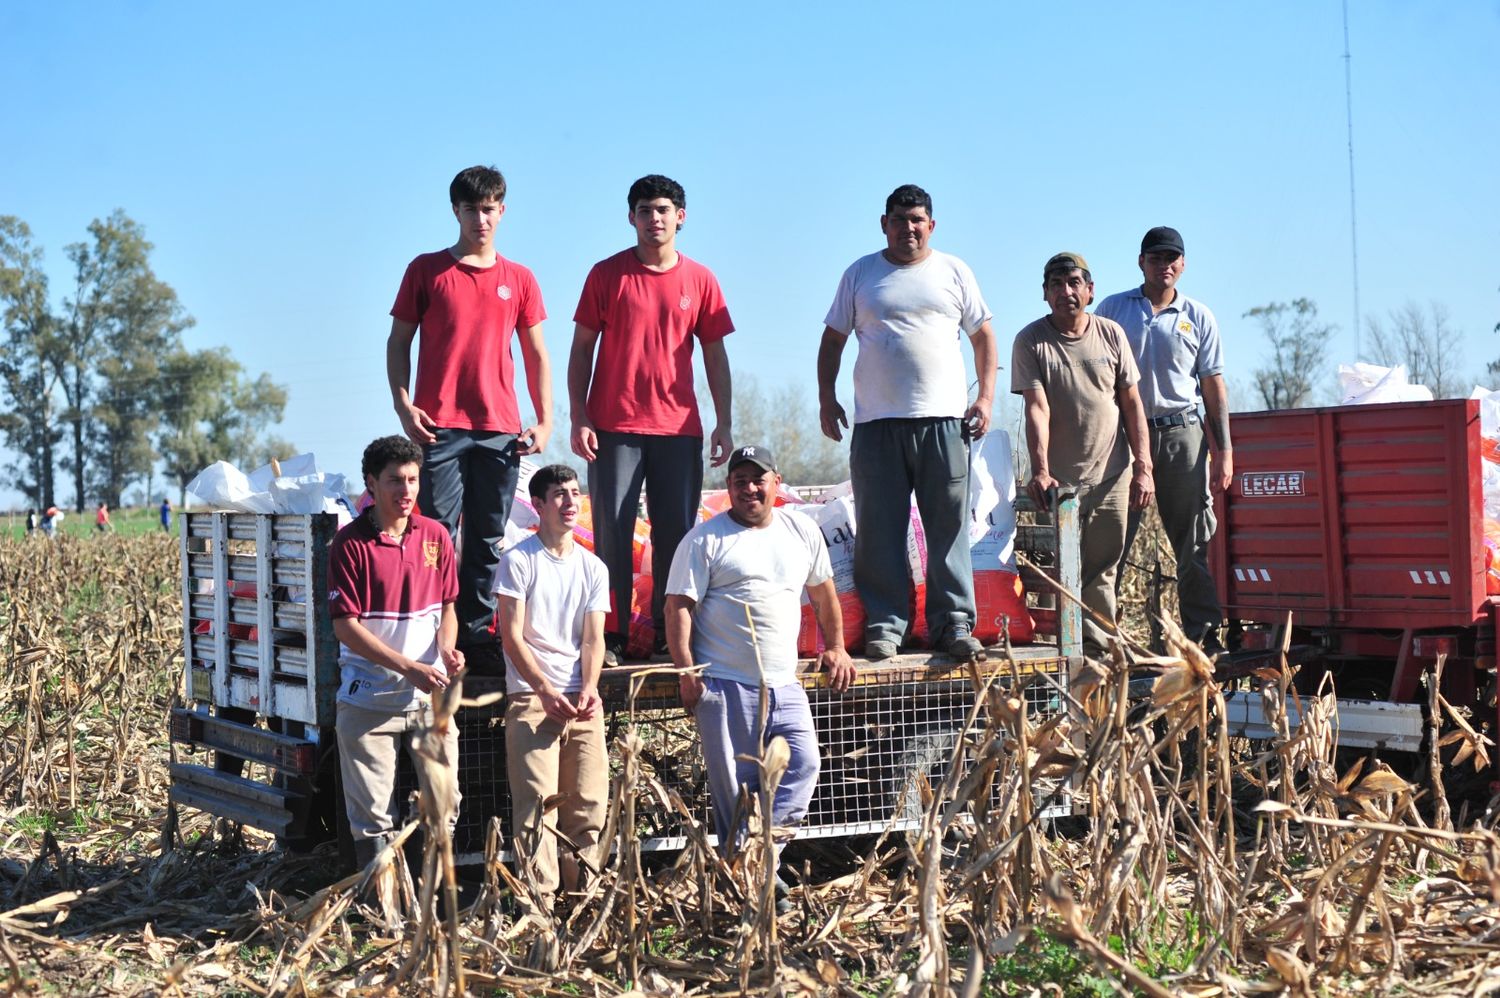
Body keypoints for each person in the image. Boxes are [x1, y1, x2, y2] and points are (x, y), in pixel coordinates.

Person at [816, 184, 997, 662]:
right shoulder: (861, 274)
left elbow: (983, 338)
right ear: (884, 224)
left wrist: (986, 397)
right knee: (879, 528)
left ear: (930, 225)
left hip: (943, 422)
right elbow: (832, 340)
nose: (908, 228)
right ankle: (886, 624)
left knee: (947, 528)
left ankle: (953, 624)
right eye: (899, 219)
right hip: (876, 425)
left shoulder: (954, 271)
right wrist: (825, 398)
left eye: (917, 220)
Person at [387, 165, 552, 673]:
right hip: (438, 426)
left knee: (485, 537)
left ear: (502, 211)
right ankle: (430, 630)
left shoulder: (519, 278)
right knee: (435, 533)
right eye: (471, 209)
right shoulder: (426, 270)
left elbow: (536, 354)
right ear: (455, 211)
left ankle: (477, 639)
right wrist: (403, 403)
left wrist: (544, 420)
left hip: (499, 428)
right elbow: (398, 342)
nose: (481, 219)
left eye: (490, 209)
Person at [570, 174, 734, 663]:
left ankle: (670, 634)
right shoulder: (606, 274)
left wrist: (723, 421)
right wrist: (579, 416)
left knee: (677, 537)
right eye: (644, 210)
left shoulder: (700, 279)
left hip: (678, 429)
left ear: (680, 216)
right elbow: (581, 350)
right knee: (613, 534)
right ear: (631, 218)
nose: (654, 218)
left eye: (663, 209)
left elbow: (715, 356)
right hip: (613, 426)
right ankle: (613, 637)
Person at [666, 445, 855, 856]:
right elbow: (678, 606)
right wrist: (686, 671)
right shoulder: (705, 540)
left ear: (776, 482)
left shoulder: (800, 531)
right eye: (740, 481)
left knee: (804, 764)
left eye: (758, 480)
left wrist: (836, 647)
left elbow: (824, 596)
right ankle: (747, 888)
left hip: (784, 685)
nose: (749, 488)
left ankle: (760, 857)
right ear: (728, 487)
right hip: (725, 685)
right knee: (735, 792)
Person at [327, 435, 464, 870]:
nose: (405, 491)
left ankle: (436, 907)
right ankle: (381, 919)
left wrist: (446, 646)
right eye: (394, 481)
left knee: (444, 806)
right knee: (372, 819)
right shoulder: (349, 545)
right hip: (370, 701)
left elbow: (447, 606)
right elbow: (345, 626)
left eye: (412, 479)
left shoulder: (436, 536)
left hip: (429, 702)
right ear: (371, 483)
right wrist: (408, 667)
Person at [1011, 253, 1154, 658]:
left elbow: (1131, 404)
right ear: (1045, 293)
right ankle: (1064, 652)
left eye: (1074, 283)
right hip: (1059, 483)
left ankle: (1102, 654)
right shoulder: (1031, 340)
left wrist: (1143, 466)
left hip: (1112, 474)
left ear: (1090, 291)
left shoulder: (1110, 335)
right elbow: (1036, 407)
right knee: (1060, 571)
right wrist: (1040, 471)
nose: (1066, 291)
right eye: (1056, 284)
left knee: (1102, 571)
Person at [1095, 227, 1230, 652]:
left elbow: (1212, 386)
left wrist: (1223, 450)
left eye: (1172, 258)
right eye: (1156, 258)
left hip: (1181, 434)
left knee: (1192, 541)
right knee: (1112, 537)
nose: (1164, 265)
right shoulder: (1114, 309)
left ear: (1183, 264)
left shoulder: (1199, 316)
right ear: (1141, 262)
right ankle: (1103, 637)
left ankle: (1204, 637)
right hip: (1122, 437)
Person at [492, 464, 610, 902]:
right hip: (532, 699)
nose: (569, 502)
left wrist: (590, 687)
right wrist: (544, 688)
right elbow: (511, 635)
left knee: (588, 807)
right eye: (559, 494)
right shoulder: (518, 560)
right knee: (537, 810)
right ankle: (540, 905)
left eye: (575, 493)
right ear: (538, 505)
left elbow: (593, 637)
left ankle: (584, 902)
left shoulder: (594, 567)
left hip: (582, 704)